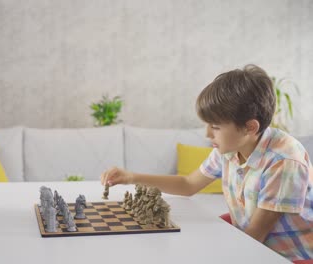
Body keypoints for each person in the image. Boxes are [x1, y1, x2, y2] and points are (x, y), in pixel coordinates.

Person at [101, 65, 312, 261]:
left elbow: (255, 237)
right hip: (251, 239)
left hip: (288, 256)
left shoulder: (284, 162)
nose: (207, 133)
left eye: (215, 127)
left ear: (250, 127)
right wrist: (130, 177)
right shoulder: (230, 148)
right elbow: (188, 184)